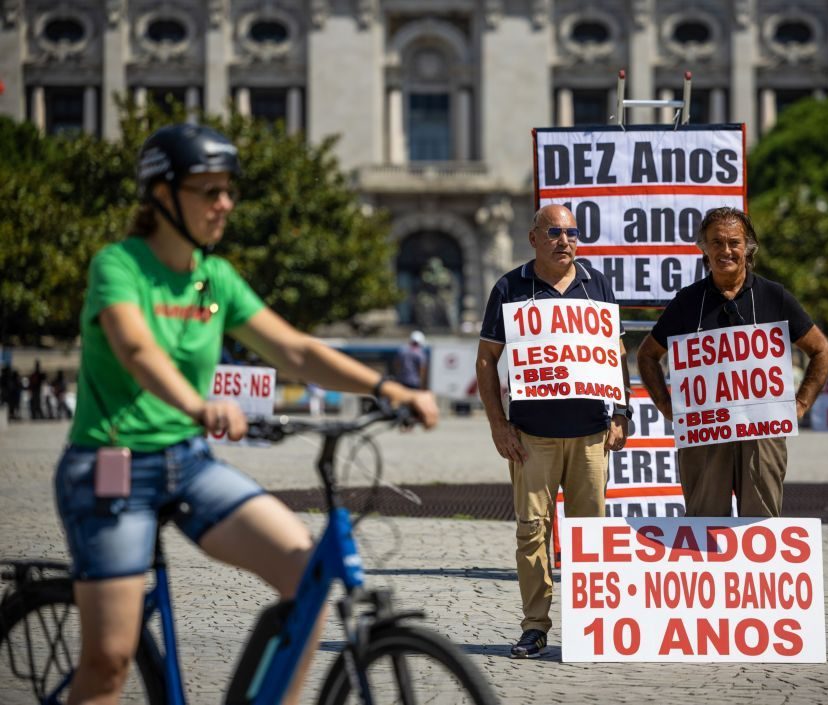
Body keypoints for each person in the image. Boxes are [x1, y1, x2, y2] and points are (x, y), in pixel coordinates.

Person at [54, 123, 439, 704]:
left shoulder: (217, 278)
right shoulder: (120, 265)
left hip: (189, 462)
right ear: (162, 196)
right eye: (209, 191)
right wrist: (196, 403)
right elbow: (136, 350)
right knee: (109, 659)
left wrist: (389, 388)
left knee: (306, 576)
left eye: (228, 189)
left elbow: (296, 350)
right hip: (112, 470)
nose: (225, 203)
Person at [476, 204, 631, 658]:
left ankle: (591, 626)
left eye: (572, 233)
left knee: (592, 534)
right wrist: (498, 424)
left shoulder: (596, 283)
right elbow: (487, 359)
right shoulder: (509, 286)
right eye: (555, 233)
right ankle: (535, 626)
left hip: (589, 434)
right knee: (532, 532)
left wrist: (622, 412)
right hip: (532, 436)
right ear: (533, 238)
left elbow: (614, 352)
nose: (565, 241)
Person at [637, 207, 828, 517]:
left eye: (734, 242)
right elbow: (647, 355)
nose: (725, 250)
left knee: (760, 524)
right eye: (716, 242)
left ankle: (761, 569)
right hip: (704, 433)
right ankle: (705, 569)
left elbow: (822, 351)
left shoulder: (774, 296)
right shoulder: (688, 302)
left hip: (762, 433)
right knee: (704, 522)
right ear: (703, 248)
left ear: (748, 247)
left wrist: (801, 405)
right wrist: (666, 405)